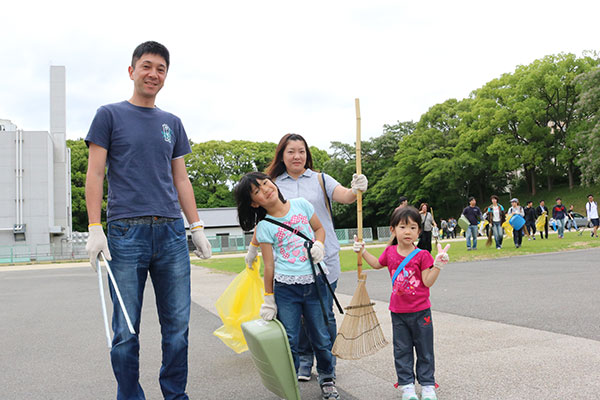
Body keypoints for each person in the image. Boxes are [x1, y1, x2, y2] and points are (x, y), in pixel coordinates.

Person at [85, 41, 212, 399]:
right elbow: (95, 175)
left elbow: (181, 178)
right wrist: (95, 227)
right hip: (126, 232)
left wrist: (196, 226)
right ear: (132, 71)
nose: (153, 74)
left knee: (178, 328)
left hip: (171, 232)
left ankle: (175, 394)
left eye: (161, 69)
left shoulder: (171, 123)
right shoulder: (108, 115)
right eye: (147, 66)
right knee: (125, 329)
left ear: (166, 76)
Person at [245, 133, 367, 382]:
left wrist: (356, 189)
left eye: (301, 151)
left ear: (307, 154)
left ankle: (328, 365)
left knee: (324, 314)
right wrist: (253, 246)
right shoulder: (273, 182)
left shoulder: (321, 179)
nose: (297, 156)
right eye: (291, 151)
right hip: (289, 266)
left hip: (324, 257)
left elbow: (345, 196)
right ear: (282, 155)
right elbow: (266, 222)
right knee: (297, 320)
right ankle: (303, 361)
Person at [234, 171, 340, 400]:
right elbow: (269, 266)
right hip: (286, 288)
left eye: (265, 183)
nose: (265, 189)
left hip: (316, 283)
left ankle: (327, 377)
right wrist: (269, 298)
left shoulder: (301, 205)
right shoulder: (263, 227)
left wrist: (319, 245)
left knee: (321, 336)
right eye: (257, 191)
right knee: (289, 339)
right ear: (254, 202)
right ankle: (290, 384)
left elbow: (319, 229)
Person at [352, 206, 450, 400]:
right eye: (403, 227)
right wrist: (362, 251)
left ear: (419, 232)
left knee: (425, 349)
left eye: (413, 228)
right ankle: (407, 386)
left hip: (422, 311)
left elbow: (427, 281)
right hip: (398, 312)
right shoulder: (389, 252)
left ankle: (428, 385)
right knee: (402, 349)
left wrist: (438, 265)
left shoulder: (422, 255)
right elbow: (376, 264)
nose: (408, 232)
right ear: (393, 229)